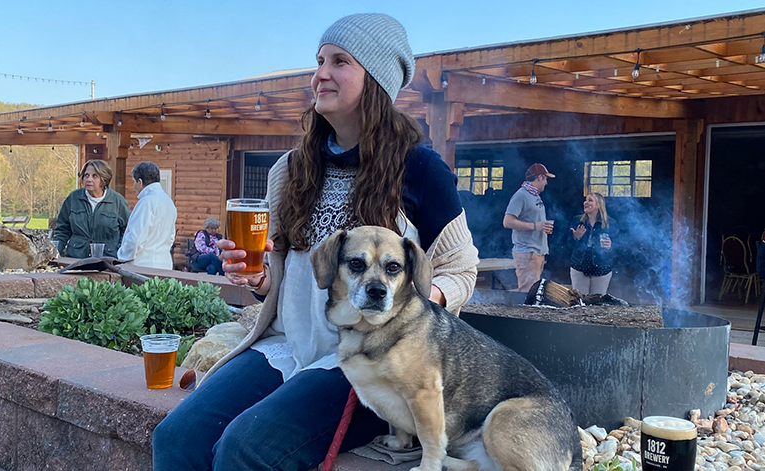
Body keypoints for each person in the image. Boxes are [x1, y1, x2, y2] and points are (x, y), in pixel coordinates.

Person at [152, 13, 479, 471]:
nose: (320, 73)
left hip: (369, 361)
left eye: (340, 61)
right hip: (289, 344)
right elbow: (284, 279)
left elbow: (461, 270)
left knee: (243, 449)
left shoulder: (420, 170)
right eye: (319, 60)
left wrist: (415, 300)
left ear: (378, 80)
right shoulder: (290, 168)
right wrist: (258, 277)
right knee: (176, 436)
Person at [53, 160, 129, 258]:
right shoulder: (73, 198)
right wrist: (54, 253)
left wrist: (119, 250)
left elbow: (127, 230)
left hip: (107, 259)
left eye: (95, 176)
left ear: (104, 178)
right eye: (86, 175)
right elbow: (62, 229)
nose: (89, 179)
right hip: (76, 257)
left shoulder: (117, 201)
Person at [502, 163, 555, 292]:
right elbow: (507, 221)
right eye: (546, 179)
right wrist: (535, 226)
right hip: (527, 252)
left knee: (534, 292)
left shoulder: (534, 195)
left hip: (537, 252)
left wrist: (543, 227)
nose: (546, 183)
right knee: (527, 292)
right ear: (539, 177)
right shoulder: (521, 195)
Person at [117, 162, 177, 270]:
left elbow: (135, 238)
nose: (133, 186)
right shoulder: (169, 202)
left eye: (134, 182)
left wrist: (121, 257)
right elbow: (171, 236)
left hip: (142, 265)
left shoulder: (146, 202)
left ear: (140, 182)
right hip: (165, 264)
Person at [568, 192, 617, 295]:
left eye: (590, 200)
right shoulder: (577, 221)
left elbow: (619, 247)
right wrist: (576, 237)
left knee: (597, 304)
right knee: (580, 301)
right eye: (585, 200)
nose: (586, 202)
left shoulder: (610, 223)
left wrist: (610, 247)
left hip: (601, 269)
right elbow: (569, 245)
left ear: (599, 205)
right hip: (579, 267)